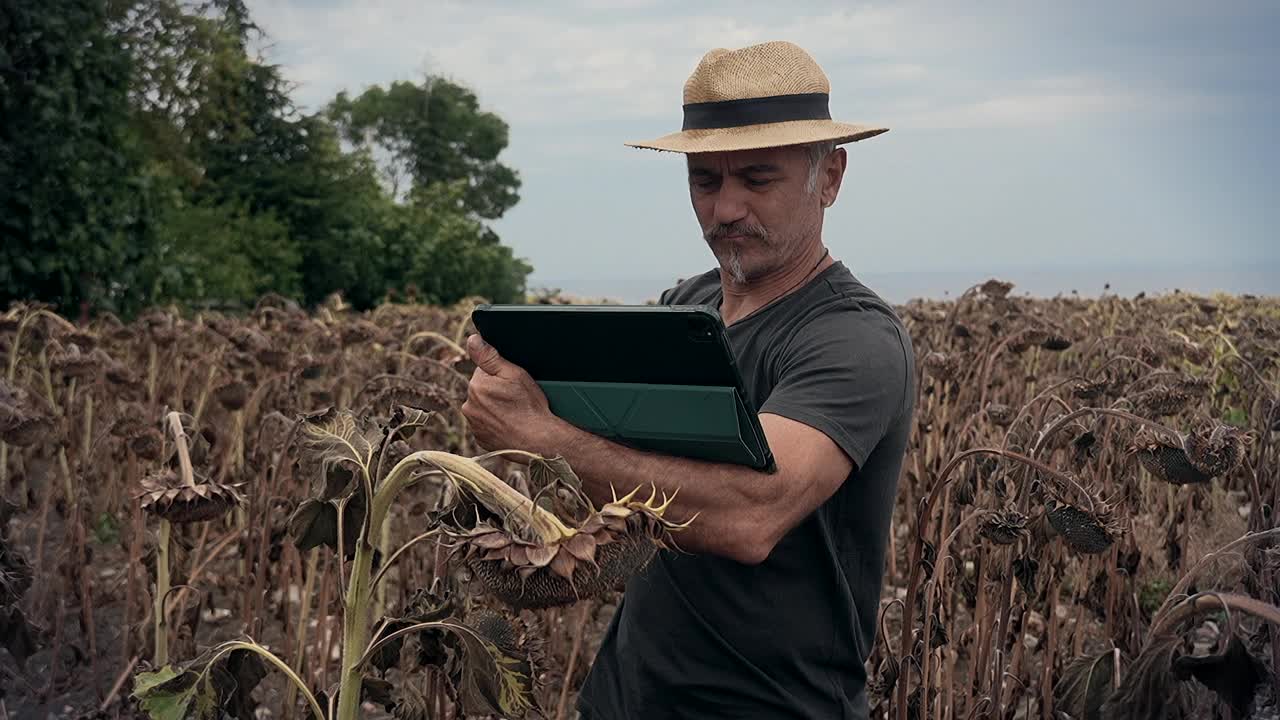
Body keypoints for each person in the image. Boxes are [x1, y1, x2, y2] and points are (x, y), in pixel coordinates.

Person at [461, 40, 915, 720]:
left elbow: (749, 516)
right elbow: (622, 456)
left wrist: (541, 435)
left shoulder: (853, 339)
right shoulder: (688, 308)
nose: (725, 208)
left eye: (757, 180)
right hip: (627, 697)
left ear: (830, 177)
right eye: (705, 181)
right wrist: (523, 386)